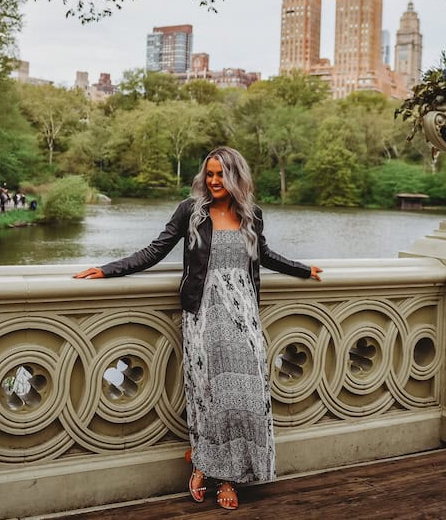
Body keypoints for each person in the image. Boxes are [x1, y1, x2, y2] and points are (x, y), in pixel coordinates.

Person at [74, 147, 323, 510]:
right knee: (211, 396)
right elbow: (155, 250)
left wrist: (303, 269)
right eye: (209, 174)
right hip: (204, 313)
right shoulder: (192, 211)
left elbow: (264, 255)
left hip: (244, 315)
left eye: (221, 175)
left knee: (248, 395)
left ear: (236, 176)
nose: (214, 181)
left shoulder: (251, 214)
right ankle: (215, 472)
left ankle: (223, 468)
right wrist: (108, 268)